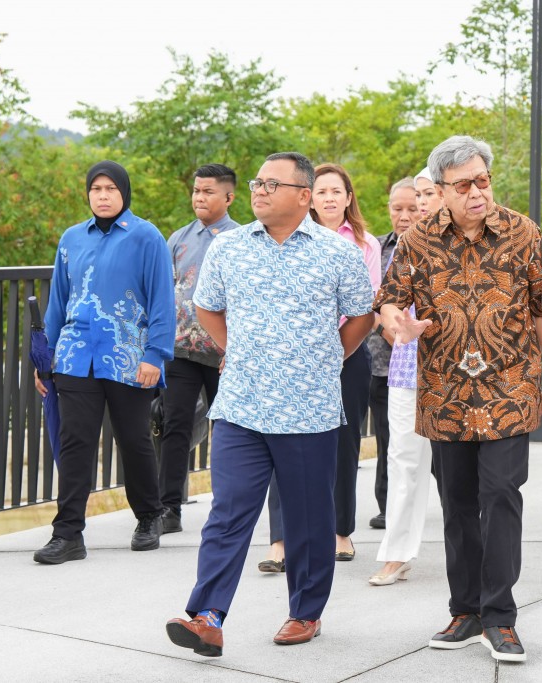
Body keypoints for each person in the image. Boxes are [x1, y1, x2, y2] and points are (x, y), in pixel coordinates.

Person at [165, 152, 375, 656]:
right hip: (240, 405)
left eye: (271, 184)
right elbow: (206, 307)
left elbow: (361, 316)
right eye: (257, 182)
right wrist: (236, 349)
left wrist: (325, 358)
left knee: (307, 520)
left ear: (303, 196)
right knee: (228, 513)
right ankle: (207, 617)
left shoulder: (337, 252)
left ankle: (305, 612)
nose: (259, 190)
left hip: (309, 409)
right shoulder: (230, 248)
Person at [376, 135, 542, 663]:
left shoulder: (523, 232)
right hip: (446, 395)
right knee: (457, 502)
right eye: (464, 185)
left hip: (510, 390)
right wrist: (399, 327)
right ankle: (466, 611)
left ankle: (501, 617)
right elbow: (390, 303)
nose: (478, 192)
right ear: (441, 190)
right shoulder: (416, 240)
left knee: (501, 494)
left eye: (483, 180)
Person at [33, 160, 174, 565]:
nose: (104, 195)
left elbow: (162, 300)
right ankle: (68, 534)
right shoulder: (72, 238)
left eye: (111, 188)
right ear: (88, 194)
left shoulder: (146, 237)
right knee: (75, 442)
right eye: (96, 189)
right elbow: (58, 303)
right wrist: (46, 360)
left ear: (124, 193)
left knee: (133, 440)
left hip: (129, 358)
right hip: (75, 357)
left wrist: (155, 355)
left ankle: (149, 516)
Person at [259, 163, 382, 570]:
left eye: (337, 191)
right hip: (291, 357)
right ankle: (280, 540)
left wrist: (333, 353)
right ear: (309, 197)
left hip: (348, 353)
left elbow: (365, 306)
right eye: (323, 191)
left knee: (342, 446)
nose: (330, 198)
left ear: (349, 198)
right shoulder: (289, 237)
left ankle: (340, 532)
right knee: (281, 442)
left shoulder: (366, 244)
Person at [159, 164, 239, 533]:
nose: (199, 197)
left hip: (225, 354)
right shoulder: (178, 238)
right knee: (174, 425)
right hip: (181, 351)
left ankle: (229, 508)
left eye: (208, 191)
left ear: (229, 197)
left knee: (228, 430)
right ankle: (168, 509)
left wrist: (234, 349)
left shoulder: (242, 240)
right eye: (196, 191)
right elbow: (165, 292)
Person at [368, 178, 438, 587]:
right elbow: (386, 303)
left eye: (428, 197)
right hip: (408, 366)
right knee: (403, 459)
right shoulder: (400, 248)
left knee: (461, 470)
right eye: (417, 197)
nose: (419, 206)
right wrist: (393, 324)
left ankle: (477, 549)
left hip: (461, 372)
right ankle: (397, 553)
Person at [366, 178, 420, 531]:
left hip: (427, 363)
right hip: (382, 362)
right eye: (396, 208)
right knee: (388, 441)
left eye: (411, 208)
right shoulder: (379, 249)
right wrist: (393, 331)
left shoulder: (433, 246)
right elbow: (372, 300)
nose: (403, 216)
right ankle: (388, 506)